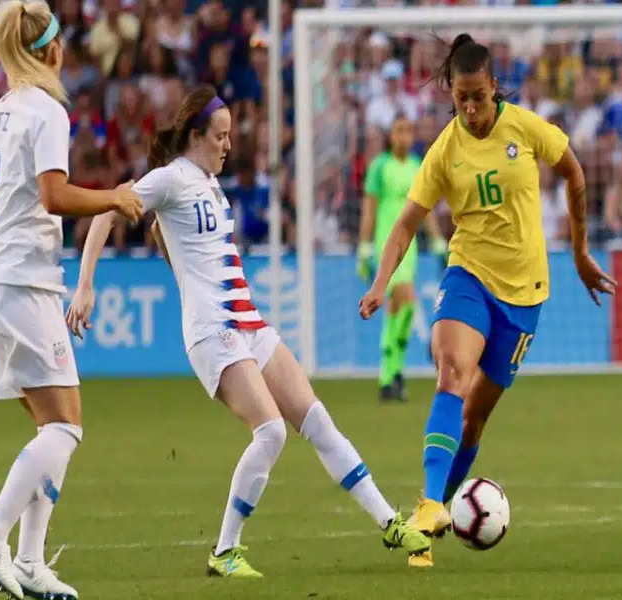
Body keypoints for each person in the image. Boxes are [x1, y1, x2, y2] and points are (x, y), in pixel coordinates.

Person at [65, 84, 431, 579]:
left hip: (249, 323)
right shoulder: (170, 178)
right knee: (271, 431)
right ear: (196, 136)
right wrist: (85, 286)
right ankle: (224, 551)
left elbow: (177, 241)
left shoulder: (211, 185)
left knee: (316, 420)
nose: (228, 145)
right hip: (213, 334)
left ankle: (389, 521)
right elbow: (110, 210)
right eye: (220, 136)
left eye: (229, 136)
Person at [359, 34, 616, 569]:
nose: (472, 109)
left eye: (479, 96)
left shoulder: (526, 128)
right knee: (451, 369)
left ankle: (439, 510)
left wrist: (580, 251)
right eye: (461, 99)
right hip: (468, 276)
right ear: (451, 94)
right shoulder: (444, 151)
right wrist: (382, 281)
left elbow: (574, 172)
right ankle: (430, 508)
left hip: (524, 296)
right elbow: (406, 222)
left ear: (495, 87)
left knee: (473, 421)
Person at [0, 3, 142, 599]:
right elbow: (53, 197)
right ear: (51, 51)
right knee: (67, 429)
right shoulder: (47, 111)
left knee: (53, 429)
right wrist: (114, 198)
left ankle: (28, 563)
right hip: (24, 282)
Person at [356, 114, 448, 402]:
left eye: (408, 131)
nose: (404, 136)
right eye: (399, 130)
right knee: (406, 301)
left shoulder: (416, 167)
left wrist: (436, 240)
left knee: (397, 309)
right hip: (388, 244)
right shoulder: (379, 168)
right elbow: (369, 211)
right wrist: (364, 247)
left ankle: (390, 376)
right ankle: (392, 374)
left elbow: (425, 208)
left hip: (410, 248)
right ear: (390, 136)